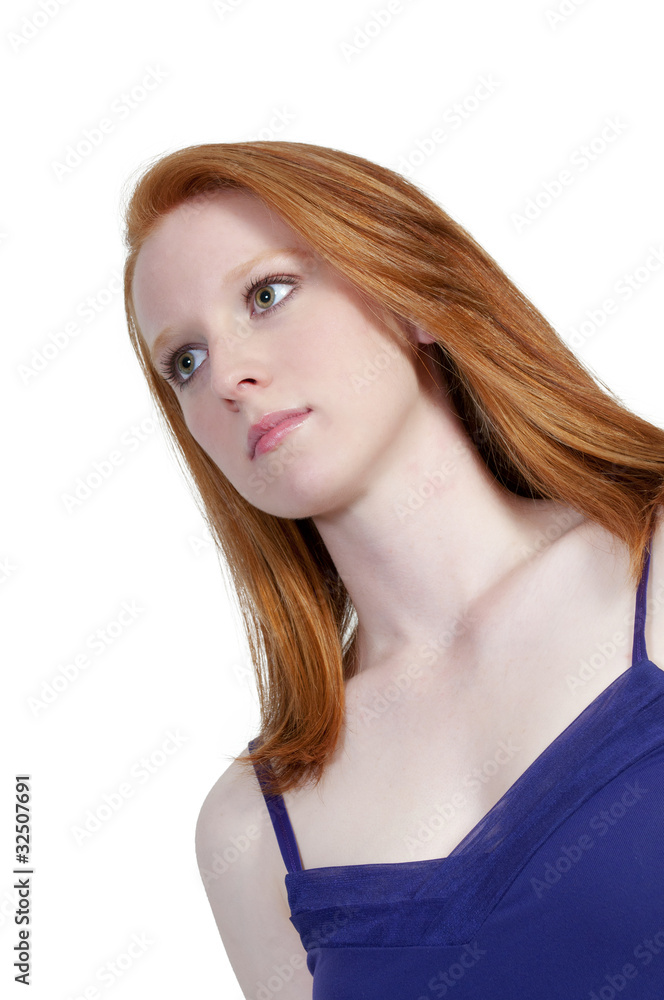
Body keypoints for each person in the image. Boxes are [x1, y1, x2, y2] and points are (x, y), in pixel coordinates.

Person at [122, 141, 664, 999]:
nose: (226, 376)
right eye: (184, 360)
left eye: (266, 295)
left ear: (412, 295)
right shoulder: (252, 833)